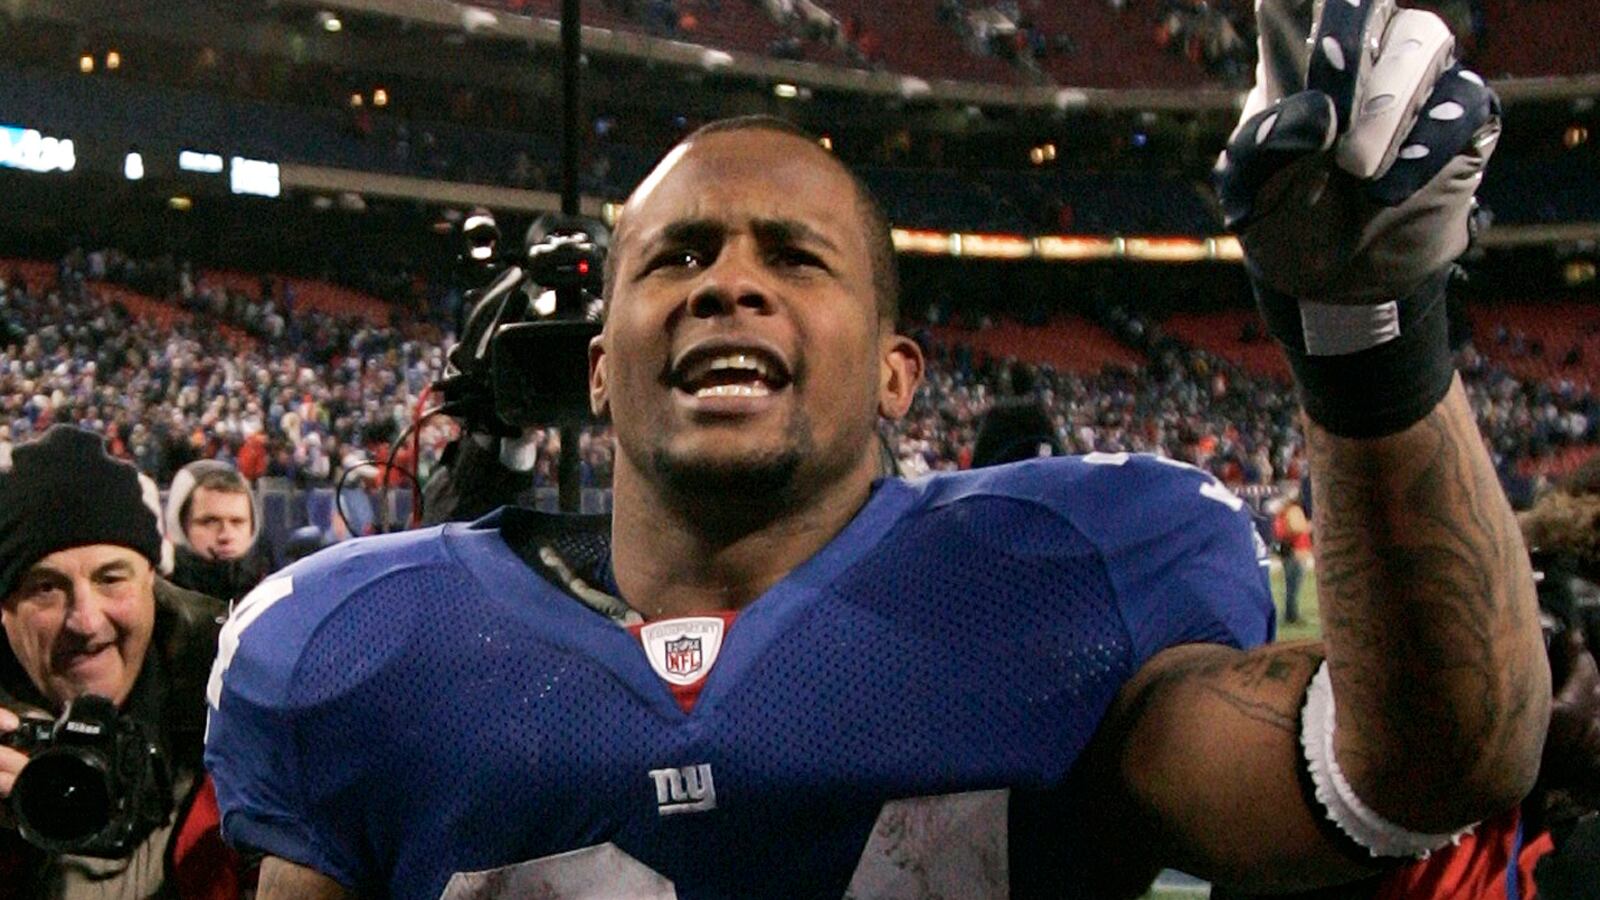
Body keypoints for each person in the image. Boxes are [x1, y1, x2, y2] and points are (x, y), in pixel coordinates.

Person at [205, 2, 1550, 896]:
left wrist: (1367, 338)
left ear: (899, 373)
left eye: (796, 257)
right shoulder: (355, 646)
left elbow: (1427, 770)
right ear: (598, 372)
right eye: (677, 257)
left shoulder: (1065, 579)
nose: (730, 285)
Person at [0, 426, 245, 899]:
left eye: (112, 579)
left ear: (151, 579)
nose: (86, 621)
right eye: (46, 588)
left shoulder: (243, 715)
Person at [163, 461, 271, 603]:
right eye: (209, 522)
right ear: (179, 527)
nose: (226, 535)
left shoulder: (277, 593)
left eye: (237, 522)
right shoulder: (157, 604)